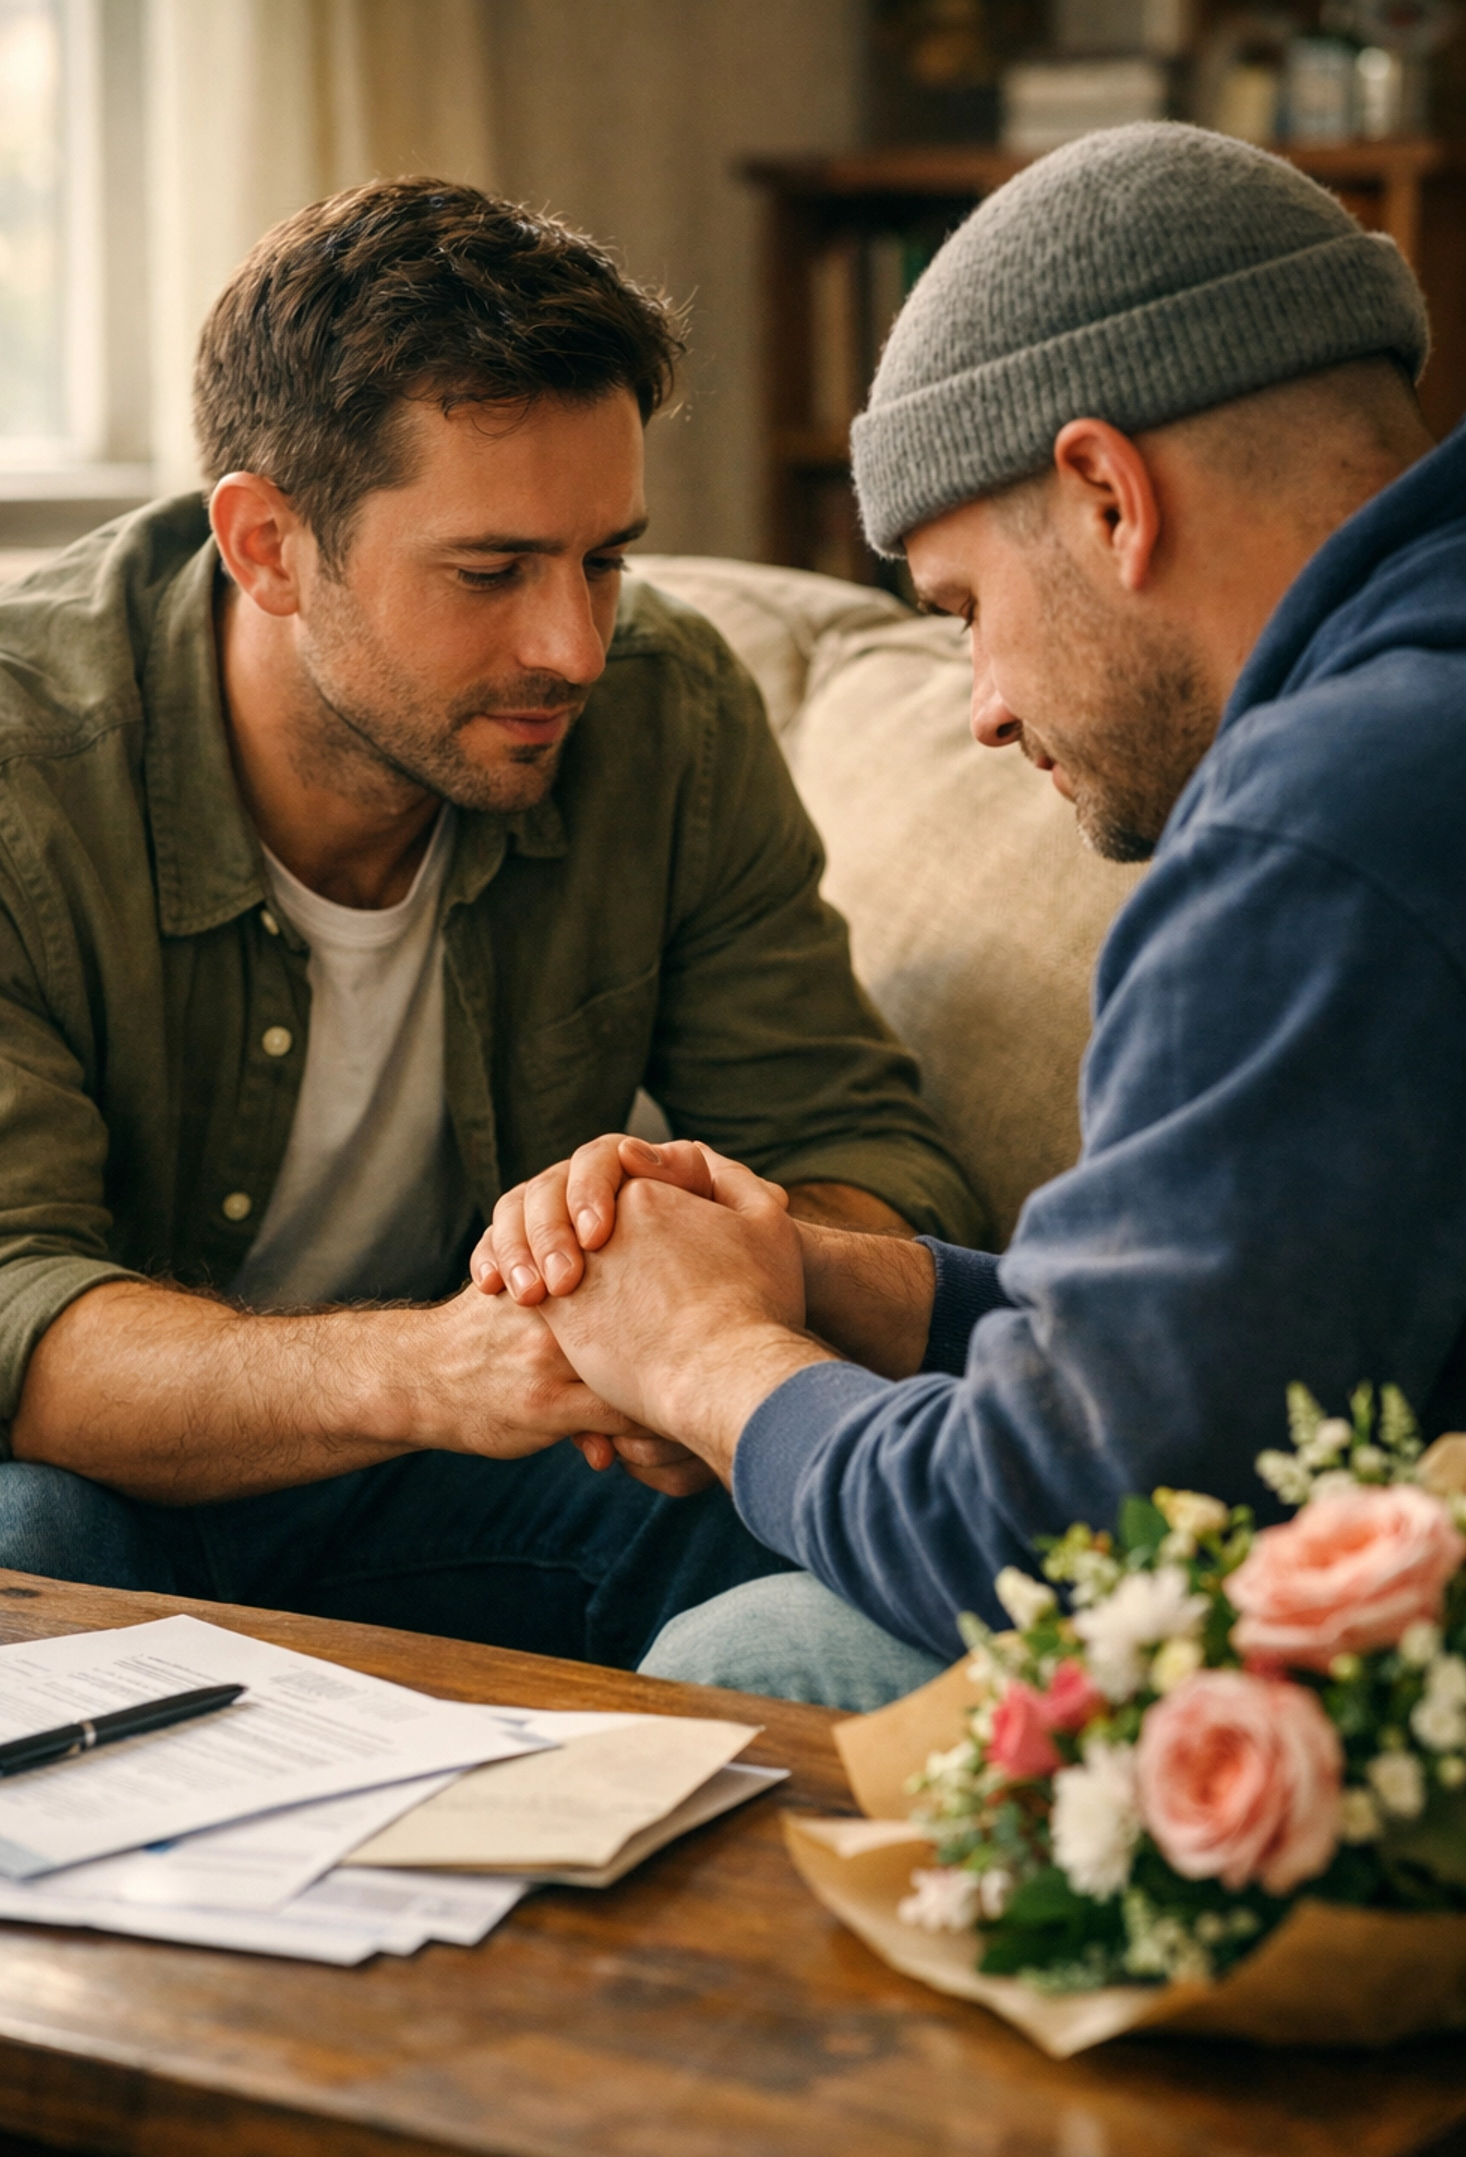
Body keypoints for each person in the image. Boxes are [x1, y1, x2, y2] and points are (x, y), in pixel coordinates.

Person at [473, 123, 1466, 1707]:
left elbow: (1067, 1517)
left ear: (1106, 497)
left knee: (752, 1662)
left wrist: (709, 1367)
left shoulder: (1318, 825)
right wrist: (818, 1276)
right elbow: (1218, 1340)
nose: (985, 711)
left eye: (963, 613)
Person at [0, 178, 978, 1668]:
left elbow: (872, 1158)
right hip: (93, 1482)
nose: (573, 645)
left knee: (829, 1508)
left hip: (440, 1478)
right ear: (266, 546)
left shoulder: (667, 715)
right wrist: (442, 1370)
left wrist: (705, 1280)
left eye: (605, 557)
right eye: (490, 572)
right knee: (35, 1545)